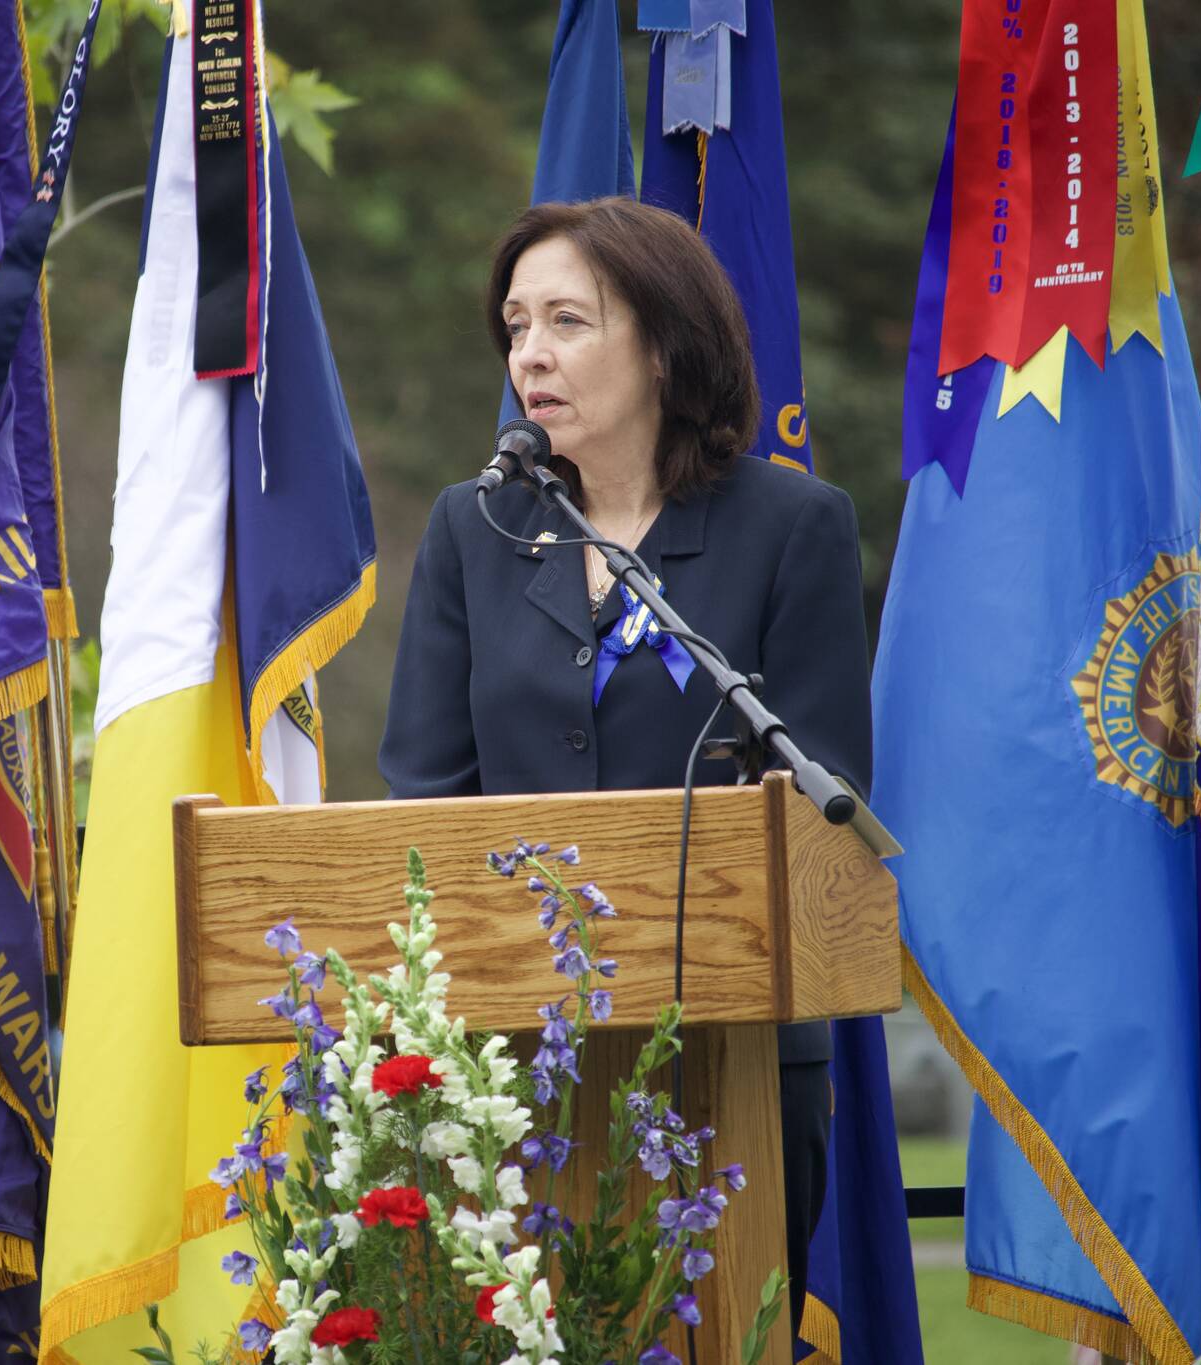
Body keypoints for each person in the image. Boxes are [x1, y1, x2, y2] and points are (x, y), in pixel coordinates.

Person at [378, 196, 872, 1339]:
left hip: (733, 1050)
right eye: (513, 326)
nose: (529, 355)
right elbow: (425, 796)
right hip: (511, 1066)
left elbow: (823, 803)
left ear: (662, 343)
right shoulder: (475, 530)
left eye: (565, 320)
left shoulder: (789, 527)